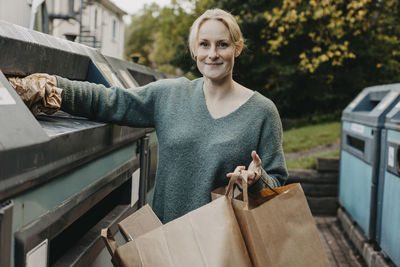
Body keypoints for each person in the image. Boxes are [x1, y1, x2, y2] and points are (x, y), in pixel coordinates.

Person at [10, 8, 288, 223]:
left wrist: (256, 179)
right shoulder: (170, 96)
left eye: (223, 45)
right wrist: (45, 88)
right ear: (194, 50)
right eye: (204, 45)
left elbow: (275, 183)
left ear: (237, 48)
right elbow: (110, 100)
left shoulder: (262, 112)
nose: (212, 54)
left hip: (226, 248)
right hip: (168, 243)